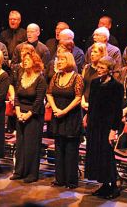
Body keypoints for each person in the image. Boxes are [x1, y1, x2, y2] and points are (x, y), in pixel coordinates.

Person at [85, 56, 123, 199]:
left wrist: (113, 130)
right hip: (95, 125)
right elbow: (92, 103)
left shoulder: (116, 86)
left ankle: (113, 185)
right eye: (98, 67)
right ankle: (104, 185)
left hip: (107, 127)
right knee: (97, 155)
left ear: (110, 70)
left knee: (107, 156)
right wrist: (87, 117)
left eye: (102, 68)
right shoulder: (95, 83)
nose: (99, 70)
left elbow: (117, 110)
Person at [46, 52, 83, 189]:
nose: (58, 62)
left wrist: (64, 111)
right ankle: (59, 179)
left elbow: (78, 97)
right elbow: (49, 93)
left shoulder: (77, 77)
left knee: (71, 150)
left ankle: (71, 181)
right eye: (58, 59)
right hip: (58, 116)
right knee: (59, 147)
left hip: (71, 117)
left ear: (68, 61)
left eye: (61, 59)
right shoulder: (56, 76)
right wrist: (55, 109)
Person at [10, 52, 47, 183]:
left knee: (31, 145)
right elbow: (17, 96)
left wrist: (28, 114)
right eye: (23, 60)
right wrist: (18, 112)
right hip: (21, 114)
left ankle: (31, 173)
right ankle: (19, 171)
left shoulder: (40, 79)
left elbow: (38, 100)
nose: (24, 62)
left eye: (27, 60)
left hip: (34, 115)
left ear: (35, 62)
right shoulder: (21, 75)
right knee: (20, 144)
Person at [81, 42, 107, 112]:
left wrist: (91, 104)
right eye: (92, 51)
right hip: (83, 104)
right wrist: (83, 101)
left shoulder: (105, 70)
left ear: (102, 54)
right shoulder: (86, 68)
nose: (92, 54)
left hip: (97, 106)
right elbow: (82, 87)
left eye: (95, 52)